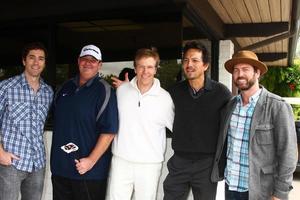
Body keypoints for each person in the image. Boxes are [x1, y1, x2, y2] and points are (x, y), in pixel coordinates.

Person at [211, 50, 298, 200]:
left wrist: (280, 193)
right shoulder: (229, 106)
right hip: (231, 186)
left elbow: (288, 153)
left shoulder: (277, 107)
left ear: (257, 73)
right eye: (236, 70)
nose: (240, 74)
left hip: (261, 190)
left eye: (245, 69)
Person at [163, 41, 232, 200]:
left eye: (195, 60)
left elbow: (231, 125)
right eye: (186, 60)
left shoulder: (221, 93)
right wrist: (132, 88)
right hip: (179, 162)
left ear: (205, 65)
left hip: (206, 165)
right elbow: (153, 105)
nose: (189, 64)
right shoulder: (174, 92)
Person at [50, 44, 118, 200]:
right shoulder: (64, 88)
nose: (88, 63)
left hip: (88, 172)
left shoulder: (104, 91)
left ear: (99, 65)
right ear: (78, 61)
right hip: (61, 169)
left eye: (93, 60)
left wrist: (91, 160)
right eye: (84, 59)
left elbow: (109, 132)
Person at [109, 48, 174, 200]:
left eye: (150, 67)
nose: (146, 71)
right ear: (135, 68)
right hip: (121, 161)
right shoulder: (121, 91)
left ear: (156, 69)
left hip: (149, 165)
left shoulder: (165, 98)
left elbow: (177, 128)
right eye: (141, 66)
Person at [0, 42, 53, 200]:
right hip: (11, 162)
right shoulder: (6, 87)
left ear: (44, 63)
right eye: (32, 58)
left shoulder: (47, 92)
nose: (36, 62)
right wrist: (0, 152)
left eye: (41, 58)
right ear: (24, 61)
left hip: (37, 162)